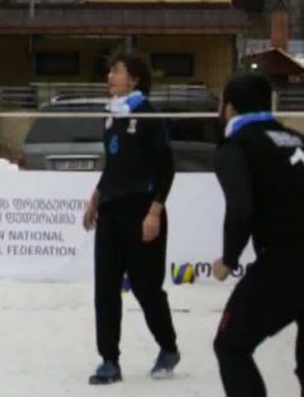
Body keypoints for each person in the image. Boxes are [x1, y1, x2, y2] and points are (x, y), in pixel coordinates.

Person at [82, 53, 179, 385]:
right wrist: (96, 198)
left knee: (145, 287)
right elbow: (113, 165)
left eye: (116, 71)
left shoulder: (149, 115)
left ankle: (168, 347)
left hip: (141, 210)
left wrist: (155, 210)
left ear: (134, 79)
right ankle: (109, 360)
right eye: (109, 71)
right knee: (105, 287)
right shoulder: (110, 115)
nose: (109, 76)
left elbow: (167, 169)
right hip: (110, 208)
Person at [212, 73, 304, 396]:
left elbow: (240, 209)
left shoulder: (236, 145)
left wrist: (229, 258)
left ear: (230, 108)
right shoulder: (295, 137)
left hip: (286, 262)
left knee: (230, 345)